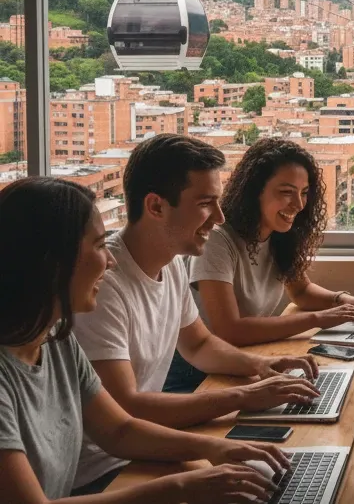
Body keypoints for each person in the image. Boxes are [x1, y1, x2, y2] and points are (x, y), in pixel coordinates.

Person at [0, 176, 290, 503]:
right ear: (51, 261)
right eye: (98, 245)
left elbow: (118, 430)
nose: (109, 261)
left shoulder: (56, 337)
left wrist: (218, 448)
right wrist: (183, 486)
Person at [72, 134, 320, 494]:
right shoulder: (103, 284)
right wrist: (243, 397)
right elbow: (127, 407)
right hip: (105, 471)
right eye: (206, 203)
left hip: (147, 447)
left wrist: (262, 367)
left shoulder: (171, 263)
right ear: (156, 206)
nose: (219, 217)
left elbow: (200, 343)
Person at [190, 138, 354, 348]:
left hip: (247, 356)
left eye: (303, 193)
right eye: (286, 192)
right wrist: (319, 319)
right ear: (254, 191)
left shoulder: (278, 233)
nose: (299, 204)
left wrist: (344, 301)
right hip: (201, 376)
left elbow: (301, 292)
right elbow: (230, 331)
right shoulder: (217, 240)